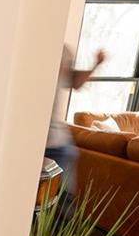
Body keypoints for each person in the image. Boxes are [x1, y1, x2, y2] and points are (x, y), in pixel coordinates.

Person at [45, 45, 106, 189]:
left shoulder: (62, 50)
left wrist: (96, 64)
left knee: (62, 194)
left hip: (57, 141)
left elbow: (75, 82)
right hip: (47, 142)